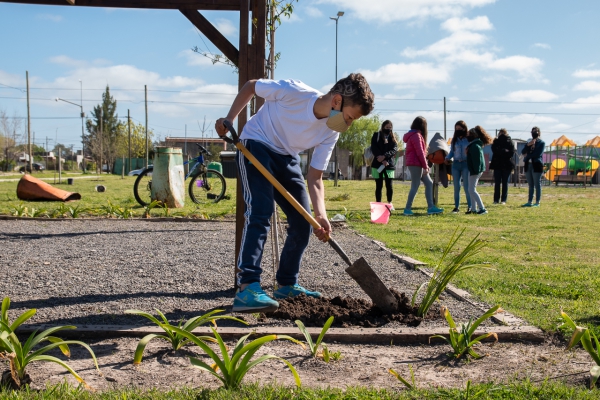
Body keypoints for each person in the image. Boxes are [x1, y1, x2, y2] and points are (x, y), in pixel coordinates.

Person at [215, 73, 375, 313]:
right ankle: (247, 287)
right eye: (349, 117)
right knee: (260, 211)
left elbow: (315, 177)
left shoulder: (331, 131)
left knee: (303, 221)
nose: (348, 124)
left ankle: (287, 284)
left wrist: (321, 216)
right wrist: (229, 118)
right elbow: (251, 86)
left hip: (286, 157)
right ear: (337, 101)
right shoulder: (294, 92)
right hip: (256, 144)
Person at [402, 116, 444, 216]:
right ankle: (407, 209)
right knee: (415, 185)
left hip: (417, 163)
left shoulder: (414, 135)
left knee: (429, 183)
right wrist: (425, 166)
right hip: (416, 164)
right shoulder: (416, 136)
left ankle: (431, 207)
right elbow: (420, 152)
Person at [445, 120, 472, 213]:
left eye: (460, 128)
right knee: (456, 187)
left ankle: (470, 206)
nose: (458, 130)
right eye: (456, 129)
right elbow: (452, 152)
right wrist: (447, 158)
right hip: (456, 164)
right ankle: (456, 207)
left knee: (466, 187)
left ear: (464, 129)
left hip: (465, 164)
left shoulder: (468, 139)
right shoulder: (454, 140)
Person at [370, 120, 397, 208]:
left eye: (390, 127)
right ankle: (378, 204)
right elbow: (374, 148)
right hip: (377, 163)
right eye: (387, 127)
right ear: (383, 127)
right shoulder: (376, 135)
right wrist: (381, 158)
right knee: (379, 185)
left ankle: (389, 203)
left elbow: (394, 149)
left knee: (389, 185)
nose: (388, 129)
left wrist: (385, 157)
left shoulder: (392, 137)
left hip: (389, 164)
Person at [466, 125, 493, 214]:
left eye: (469, 134)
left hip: (475, 170)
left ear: (473, 135)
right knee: (471, 189)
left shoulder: (474, 146)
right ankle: (474, 209)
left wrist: (475, 170)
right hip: (474, 170)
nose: (467, 136)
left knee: (471, 190)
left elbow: (477, 160)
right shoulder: (475, 145)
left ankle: (482, 208)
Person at [489, 128, 515, 204]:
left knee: (505, 183)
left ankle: (503, 200)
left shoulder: (510, 141)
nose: (501, 135)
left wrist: (500, 151)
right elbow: (495, 150)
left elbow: (511, 153)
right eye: (500, 133)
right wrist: (504, 150)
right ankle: (496, 200)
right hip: (497, 165)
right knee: (497, 183)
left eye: (503, 133)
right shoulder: (496, 141)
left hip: (506, 165)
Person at [521, 126, 545, 207]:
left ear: (539, 133)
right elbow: (523, 151)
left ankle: (537, 202)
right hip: (528, 164)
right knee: (530, 184)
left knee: (537, 184)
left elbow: (537, 154)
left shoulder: (541, 143)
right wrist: (528, 145)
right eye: (533, 131)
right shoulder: (529, 141)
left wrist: (527, 155)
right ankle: (529, 201)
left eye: (536, 131)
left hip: (537, 165)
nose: (534, 133)